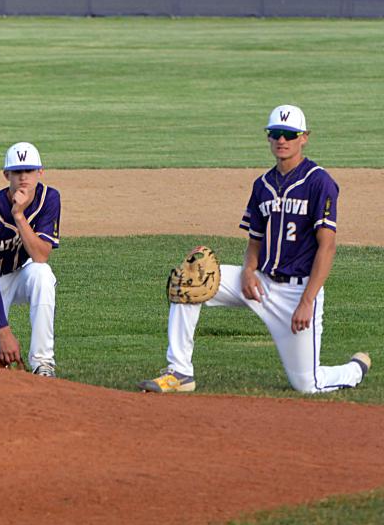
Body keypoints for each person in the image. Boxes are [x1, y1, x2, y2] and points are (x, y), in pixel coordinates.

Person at [139, 105, 370, 394]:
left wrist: (307, 300)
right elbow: (255, 242)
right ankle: (180, 373)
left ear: (304, 137)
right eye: (276, 134)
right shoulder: (262, 185)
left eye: (289, 134)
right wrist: (248, 271)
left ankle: (355, 369)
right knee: (190, 281)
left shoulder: (318, 182)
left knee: (307, 384)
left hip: (298, 292)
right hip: (260, 282)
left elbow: (327, 247)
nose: (282, 140)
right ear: (268, 138)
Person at [0, 142, 61, 377]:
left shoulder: (49, 198)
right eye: (17, 172)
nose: (23, 178)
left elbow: (40, 256)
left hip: (21, 273)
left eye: (29, 171)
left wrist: (19, 215)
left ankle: (43, 362)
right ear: (6, 174)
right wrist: (4, 331)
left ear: (40, 172)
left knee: (42, 275)